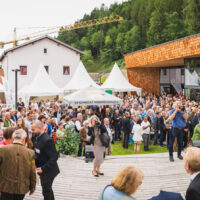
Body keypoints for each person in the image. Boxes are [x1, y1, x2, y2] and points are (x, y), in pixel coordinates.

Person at [0, 129, 36, 200]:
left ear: (13, 138)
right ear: (24, 139)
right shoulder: (30, 153)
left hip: (5, 186)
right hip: (22, 188)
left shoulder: (3, 150)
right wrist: (32, 187)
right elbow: (33, 172)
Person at [31, 120, 60, 200]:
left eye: (33, 129)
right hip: (42, 169)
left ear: (40, 128)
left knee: (46, 191)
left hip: (48, 171)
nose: (31, 131)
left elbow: (54, 157)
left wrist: (43, 168)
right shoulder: (38, 137)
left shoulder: (47, 140)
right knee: (47, 190)